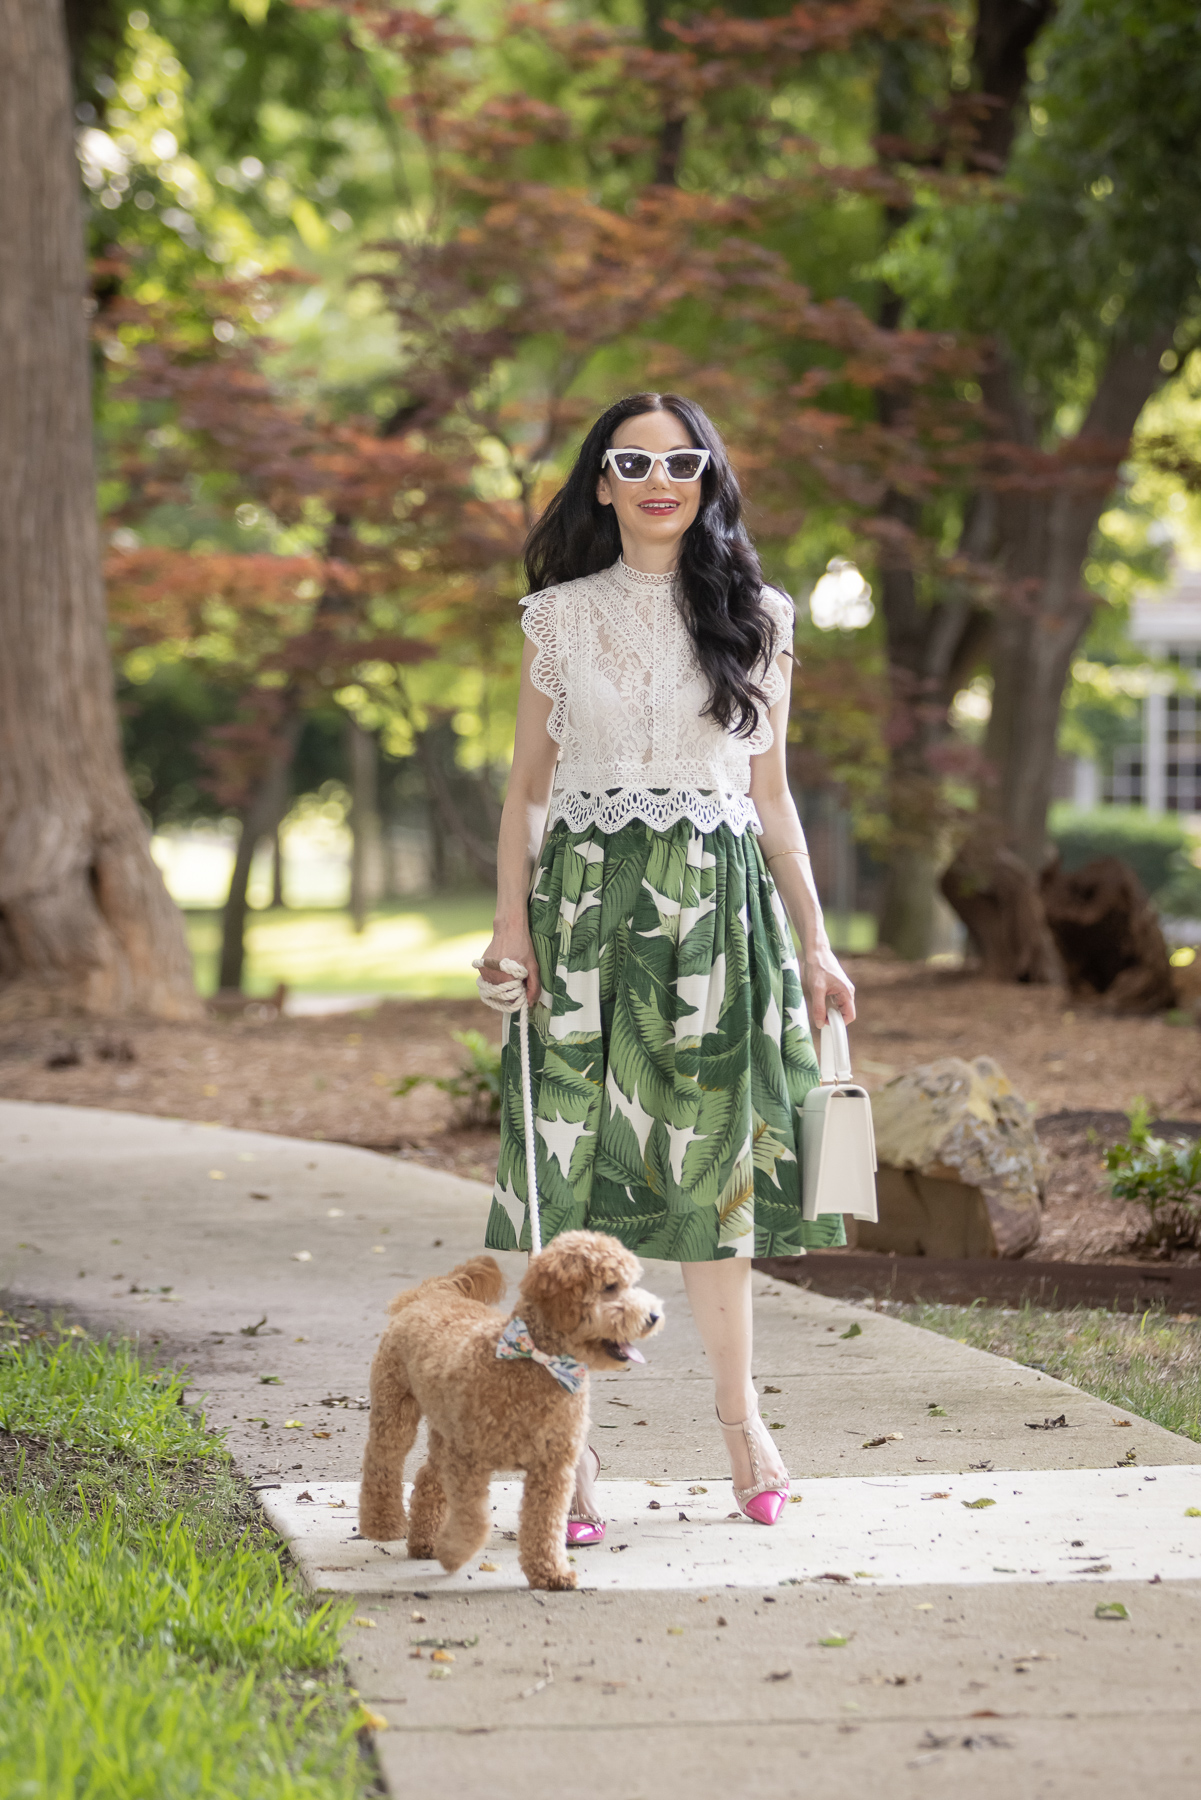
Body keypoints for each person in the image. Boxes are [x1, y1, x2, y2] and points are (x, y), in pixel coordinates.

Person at [476, 391, 856, 1543]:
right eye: (631, 461)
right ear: (601, 482)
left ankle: (742, 1422)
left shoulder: (760, 618)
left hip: (719, 919)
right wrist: (510, 928)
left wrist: (817, 939)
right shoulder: (557, 617)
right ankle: (567, 1454)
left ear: (705, 480)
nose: (657, 478)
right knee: (575, 1177)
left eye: (680, 461)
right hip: (587, 911)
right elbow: (529, 793)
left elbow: (774, 800)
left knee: (713, 1181)